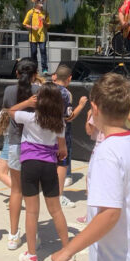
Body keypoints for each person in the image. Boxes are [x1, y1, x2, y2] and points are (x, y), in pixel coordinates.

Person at [51, 73, 130, 261]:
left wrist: (68, 250)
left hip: (117, 258)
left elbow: (110, 213)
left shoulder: (107, 152)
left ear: (95, 108)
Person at [8, 83, 71, 261]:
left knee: (31, 211)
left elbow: (11, 111)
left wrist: (27, 102)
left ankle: (32, 255)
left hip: (30, 164)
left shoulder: (30, 117)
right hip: (49, 165)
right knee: (56, 209)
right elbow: (62, 150)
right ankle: (67, 250)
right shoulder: (59, 122)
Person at [2, 58, 40, 251]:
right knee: (32, 192)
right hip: (36, 145)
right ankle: (33, 234)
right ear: (35, 74)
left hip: (15, 143)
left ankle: (13, 234)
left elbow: (6, 112)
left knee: (16, 191)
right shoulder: (38, 92)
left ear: (17, 73)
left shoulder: (9, 91)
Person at [52, 65, 87, 208]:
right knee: (62, 162)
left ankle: (52, 190)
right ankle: (59, 195)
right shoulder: (65, 94)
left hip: (45, 131)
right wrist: (81, 105)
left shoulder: (46, 89)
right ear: (69, 78)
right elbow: (68, 117)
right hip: (61, 132)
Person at [23, 0, 51, 74]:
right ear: (35, 2)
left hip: (42, 36)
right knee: (34, 53)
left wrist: (44, 21)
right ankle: (34, 70)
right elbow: (24, 24)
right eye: (39, 0)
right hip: (33, 37)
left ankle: (45, 70)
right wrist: (32, 27)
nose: (41, 1)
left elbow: (48, 25)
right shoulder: (30, 12)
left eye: (42, 0)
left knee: (43, 52)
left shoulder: (45, 13)